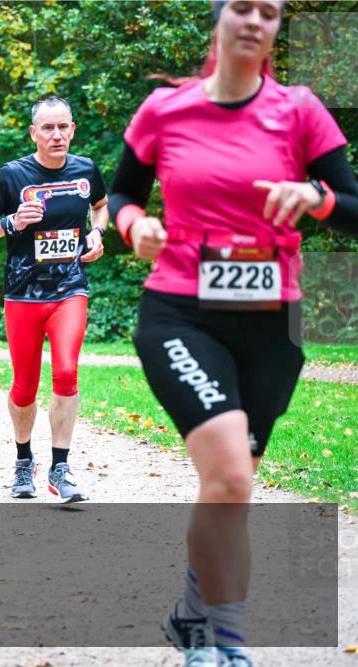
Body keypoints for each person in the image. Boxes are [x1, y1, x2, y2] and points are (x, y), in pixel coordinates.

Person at [109, 2, 357, 665]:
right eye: (242, 7)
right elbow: (120, 194)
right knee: (230, 474)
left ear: (277, 29)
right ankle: (227, 642)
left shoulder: (299, 110)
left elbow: (354, 209)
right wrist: (136, 227)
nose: (256, 19)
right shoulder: (166, 108)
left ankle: (191, 613)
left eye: (270, 11)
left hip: (272, 324)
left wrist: (317, 198)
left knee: (230, 485)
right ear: (219, 19)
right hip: (179, 311)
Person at [0, 95, 109, 503]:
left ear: (72, 130)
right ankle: (22, 460)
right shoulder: (11, 177)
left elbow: (101, 207)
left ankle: (60, 468)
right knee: (25, 387)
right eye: (47, 128)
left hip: (70, 289)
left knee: (66, 371)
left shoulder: (86, 170)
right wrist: (10, 222)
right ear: (34, 133)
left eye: (63, 126)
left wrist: (98, 233)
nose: (57, 134)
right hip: (23, 295)